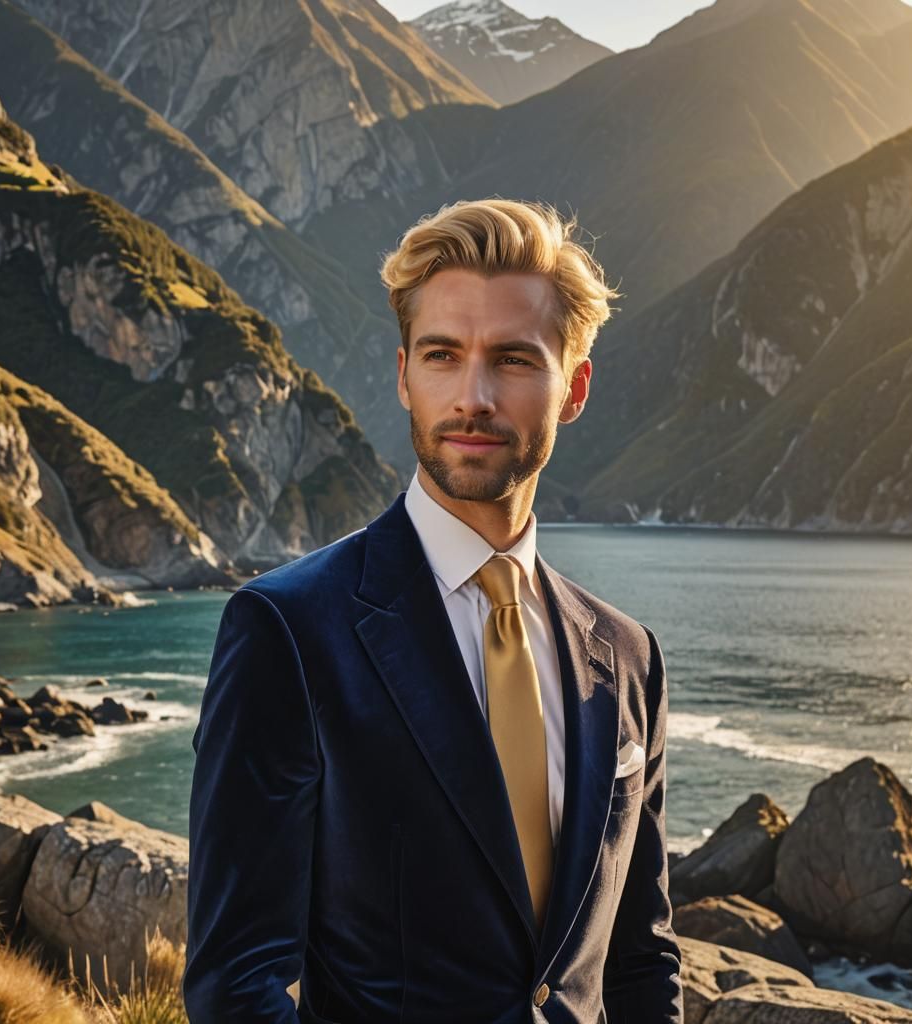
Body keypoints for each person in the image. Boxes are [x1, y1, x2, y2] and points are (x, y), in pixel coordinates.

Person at [182, 198, 684, 1023]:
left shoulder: (629, 658)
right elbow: (235, 982)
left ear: (575, 387)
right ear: (405, 375)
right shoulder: (289, 630)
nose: (474, 397)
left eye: (515, 360)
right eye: (444, 355)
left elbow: (638, 962)